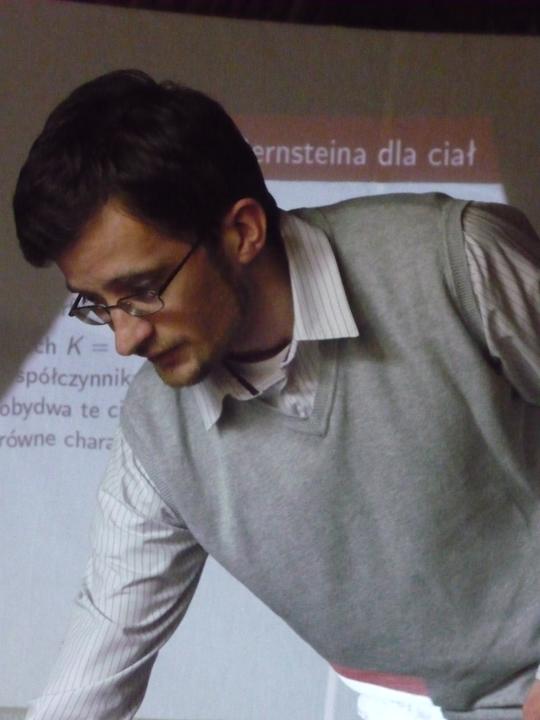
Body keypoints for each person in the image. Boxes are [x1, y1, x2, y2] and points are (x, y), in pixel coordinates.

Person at [13, 69, 540, 720]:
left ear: (242, 231)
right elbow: (103, 649)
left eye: (143, 290)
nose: (125, 338)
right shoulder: (157, 437)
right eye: (97, 305)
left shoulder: (454, 260)